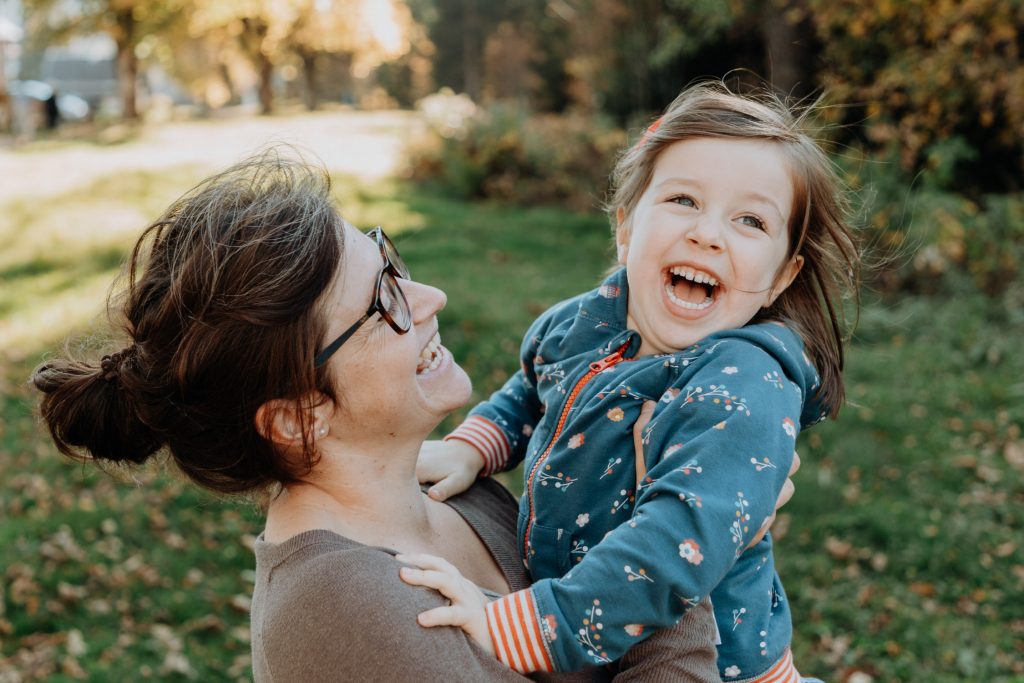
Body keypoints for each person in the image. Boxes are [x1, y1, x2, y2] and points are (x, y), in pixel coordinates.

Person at [30, 149, 761, 681]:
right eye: (383, 306)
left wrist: (689, 499)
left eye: (391, 264)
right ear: (296, 418)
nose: (430, 297)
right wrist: (690, 549)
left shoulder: (454, 486)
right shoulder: (345, 610)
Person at [407, 82, 860, 682]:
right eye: (683, 200)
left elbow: (673, 548)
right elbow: (534, 387)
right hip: (586, 637)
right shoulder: (588, 322)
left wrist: (520, 628)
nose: (708, 233)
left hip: (716, 665)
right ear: (625, 227)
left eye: (750, 219)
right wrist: (474, 444)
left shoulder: (745, 382)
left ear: (781, 276)